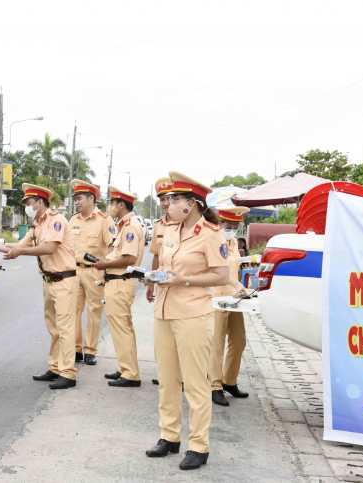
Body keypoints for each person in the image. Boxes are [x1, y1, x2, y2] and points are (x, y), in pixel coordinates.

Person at [144, 171, 229, 471]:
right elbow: (165, 265)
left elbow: (221, 276)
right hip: (164, 312)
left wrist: (186, 279)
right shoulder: (169, 230)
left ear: (192, 203)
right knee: (167, 379)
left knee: (195, 383)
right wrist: (153, 278)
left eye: (176, 199)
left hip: (193, 313)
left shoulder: (210, 233)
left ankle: (198, 445)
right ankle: (169, 437)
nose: (169, 203)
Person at [0, 184, 79, 390]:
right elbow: (19, 247)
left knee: (65, 328)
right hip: (49, 282)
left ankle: (68, 374)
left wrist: (19, 253)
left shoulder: (56, 221)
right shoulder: (36, 225)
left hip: (64, 281)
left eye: (29, 203)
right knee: (54, 328)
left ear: (40, 202)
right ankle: (56, 367)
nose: (26, 206)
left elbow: (49, 248)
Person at [91, 185, 143, 387]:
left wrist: (105, 263)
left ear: (121, 205)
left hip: (121, 282)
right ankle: (125, 367)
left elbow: (128, 258)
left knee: (121, 328)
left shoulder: (129, 225)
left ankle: (130, 373)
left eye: (112, 202)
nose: (110, 206)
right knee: (122, 328)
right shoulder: (125, 225)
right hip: (117, 282)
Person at [69, 179, 116, 366]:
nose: (77, 202)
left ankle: (90, 350)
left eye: (80, 198)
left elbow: (113, 248)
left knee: (94, 311)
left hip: (95, 272)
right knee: (73, 311)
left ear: (91, 198)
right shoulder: (73, 219)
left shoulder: (105, 220)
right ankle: (76, 349)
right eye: (75, 199)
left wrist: (107, 271)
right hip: (74, 271)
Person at [209, 206, 252, 407]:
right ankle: (215, 386)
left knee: (239, 339)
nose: (232, 230)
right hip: (216, 295)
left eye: (236, 227)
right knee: (216, 343)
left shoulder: (233, 242)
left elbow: (234, 266)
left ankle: (229, 381)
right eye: (228, 226)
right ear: (220, 223)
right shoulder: (212, 238)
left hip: (234, 296)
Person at [147, 177, 174, 386]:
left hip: (182, 284)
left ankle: (182, 375)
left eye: (169, 198)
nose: (165, 203)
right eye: (162, 199)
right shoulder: (158, 225)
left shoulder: (184, 223)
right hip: (163, 285)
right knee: (163, 333)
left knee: (181, 333)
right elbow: (156, 256)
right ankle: (166, 372)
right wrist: (151, 283)